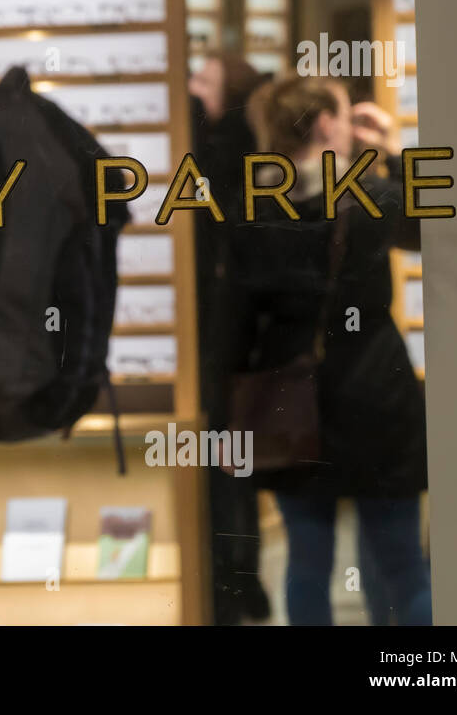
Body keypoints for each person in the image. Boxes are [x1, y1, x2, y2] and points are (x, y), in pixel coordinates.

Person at [231, 75, 431, 625]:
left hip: (290, 405)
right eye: (344, 116)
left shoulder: (253, 204)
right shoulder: (375, 198)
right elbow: (428, 226)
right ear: (324, 124)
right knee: (403, 565)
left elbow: (237, 316)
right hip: (376, 394)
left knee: (306, 562)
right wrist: (388, 153)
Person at [188, 54, 272, 624]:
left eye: (203, 80)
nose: (192, 88)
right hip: (244, 338)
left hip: (224, 338)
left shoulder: (217, 150)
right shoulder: (250, 150)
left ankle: (229, 582)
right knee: (237, 466)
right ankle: (242, 577)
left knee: (226, 462)